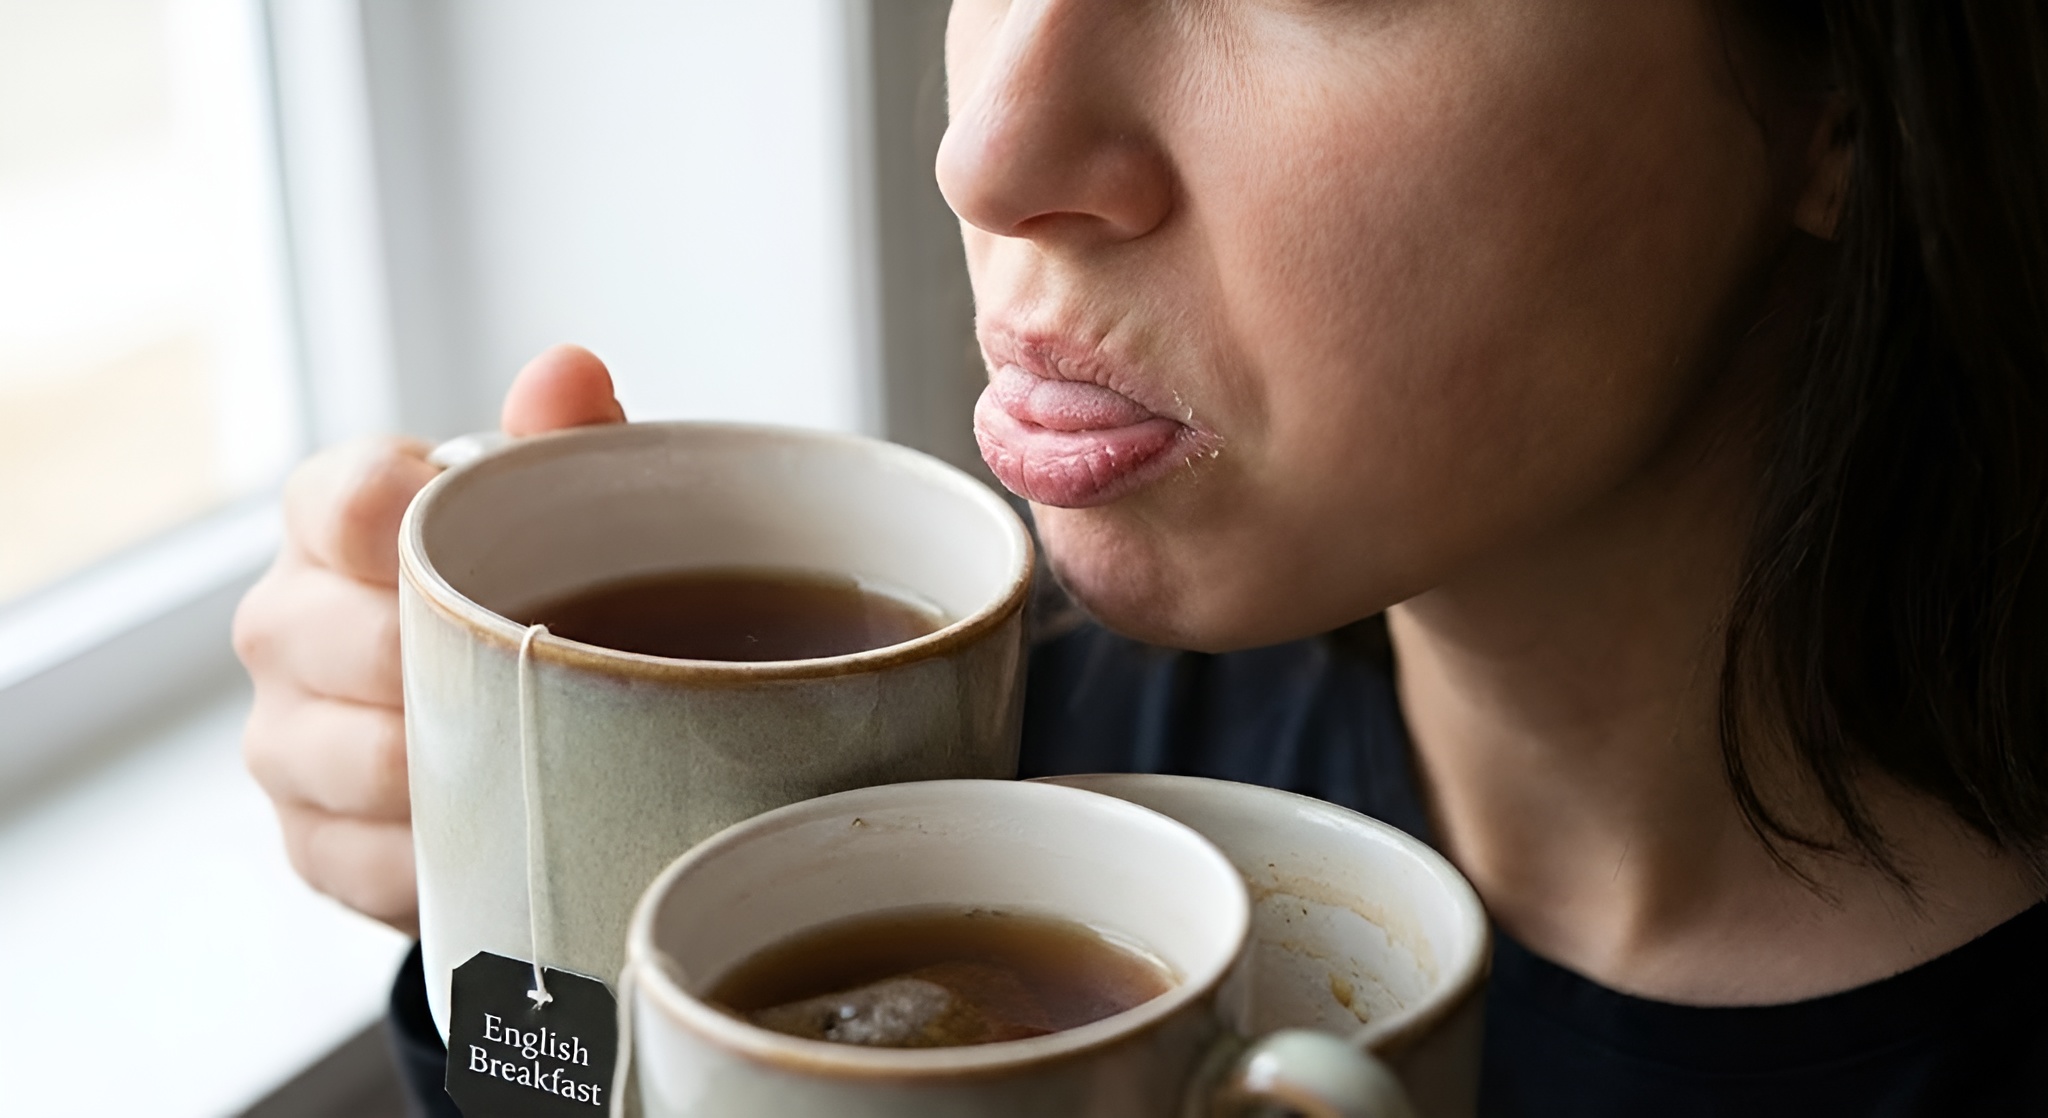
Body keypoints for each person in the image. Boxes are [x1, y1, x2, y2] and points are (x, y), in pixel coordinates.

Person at [233, 2, 2048, 1114]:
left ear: (1849, 92)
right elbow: (554, 1087)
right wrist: (523, 915)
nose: (989, 145)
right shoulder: (948, 775)